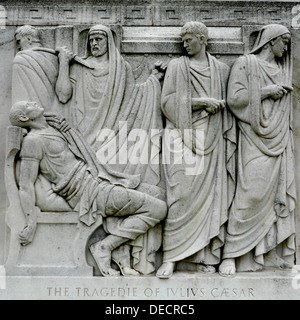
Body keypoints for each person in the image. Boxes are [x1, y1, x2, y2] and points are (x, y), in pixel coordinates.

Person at [55, 24, 167, 275]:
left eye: (99, 39)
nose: (94, 44)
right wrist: (64, 62)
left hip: (114, 142)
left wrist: (152, 83)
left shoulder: (122, 69)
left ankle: (118, 252)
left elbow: (133, 102)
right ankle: (113, 252)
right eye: (91, 39)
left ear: (109, 42)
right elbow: (63, 95)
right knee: (121, 194)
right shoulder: (79, 68)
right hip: (84, 146)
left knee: (135, 186)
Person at [9, 101, 167, 277]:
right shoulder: (33, 141)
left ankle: (122, 252)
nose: (34, 102)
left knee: (158, 193)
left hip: (95, 178)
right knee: (158, 209)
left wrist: (63, 127)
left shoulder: (53, 128)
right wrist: (31, 223)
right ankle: (105, 247)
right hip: (86, 192)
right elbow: (25, 185)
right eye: (28, 105)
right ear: (24, 117)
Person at [156, 21, 236, 279]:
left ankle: (205, 257)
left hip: (212, 138)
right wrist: (201, 103)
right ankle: (170, 256)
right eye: (182, 40)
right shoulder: (177, 68)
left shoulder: (222, 70)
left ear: (202, 39)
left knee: (212, 198)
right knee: (178, 196)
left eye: (189, 39)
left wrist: (218, 106)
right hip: (180, 136)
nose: (184, 44)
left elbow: (231, 105)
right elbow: (167, 102)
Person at [219, 24, 296, 276]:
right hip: (253, 137)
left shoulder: (282, 68)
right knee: (249, 193)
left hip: (279, 138)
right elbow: (234, 99)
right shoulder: (246, 63)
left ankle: (267, 254)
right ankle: (231, 254)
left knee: (276, 198)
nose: (286, 47)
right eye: (283, 41)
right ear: (270, 41)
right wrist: (265, 92)